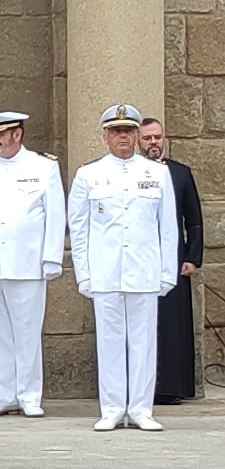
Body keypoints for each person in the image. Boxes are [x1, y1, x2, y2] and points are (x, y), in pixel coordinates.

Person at [68, 104, 178, 432]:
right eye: (116, 132)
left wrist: (166, 272)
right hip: (105, 270)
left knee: (143, 342)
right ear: (105, 136)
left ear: (137, 136)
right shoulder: (89, 174)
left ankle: (142, 409)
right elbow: (80, 228)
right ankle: (112, 408)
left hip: (144, 269)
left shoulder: (156, 173)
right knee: (111, 341)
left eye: (129, 132)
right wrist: (83, 273)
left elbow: (168, 228)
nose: (123, 138)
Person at [0, 111, 65, 418]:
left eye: (0, 134)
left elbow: (55, 215)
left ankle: (29, 395)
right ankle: (2, 395)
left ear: (17, 134)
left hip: (27, 262)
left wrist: (51, 257)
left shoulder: (43, 166)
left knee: (27, 332)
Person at [139, 117, 204, 404]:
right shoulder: (131, 174)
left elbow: (194, 221)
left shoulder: (180, 173)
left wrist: (193, 257)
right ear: (139, 140)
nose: (153, 143)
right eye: (147, 138)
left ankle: (172, 387)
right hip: (140, 258)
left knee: (172, 322)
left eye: (157, 137)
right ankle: (143, 387)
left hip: (174, 259)